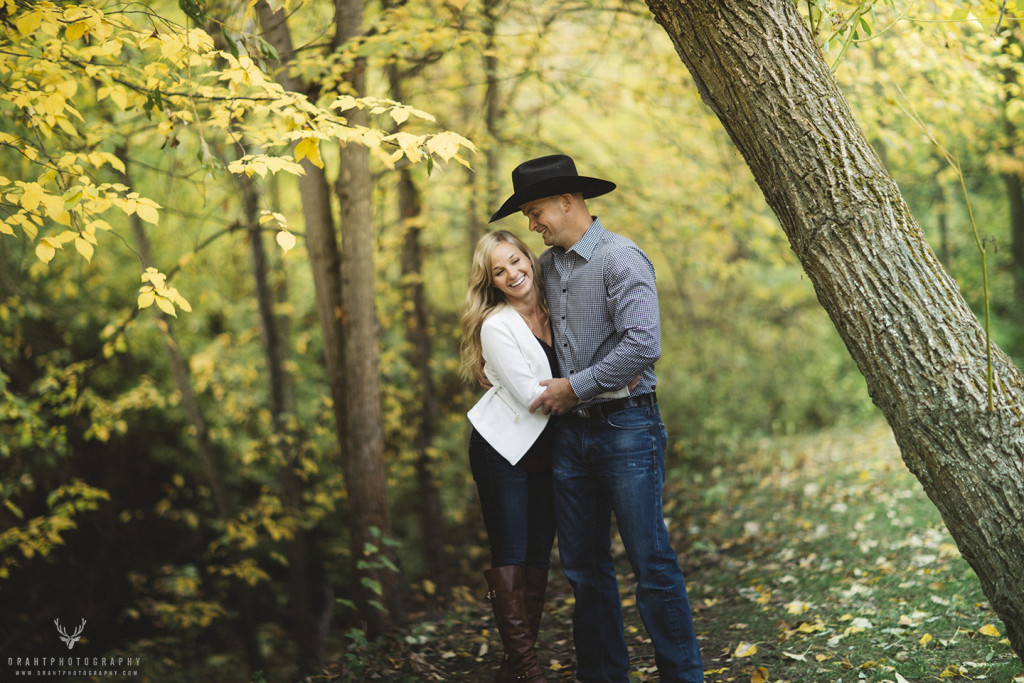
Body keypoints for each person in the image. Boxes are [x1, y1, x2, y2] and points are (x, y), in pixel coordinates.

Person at [489, 154, 704, 683]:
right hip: (568, 436)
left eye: (535, 212)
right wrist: (493, 363)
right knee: (584, 571)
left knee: (650, 562)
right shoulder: (546, 268)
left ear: (567, 201)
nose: (531, 225)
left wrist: (576, 386)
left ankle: (683, 675)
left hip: (626, 428)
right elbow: (517, 325)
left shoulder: (622, 260)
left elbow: (643, 346)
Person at [460, 230, 629, 683]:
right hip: (504, 453)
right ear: (491, 281)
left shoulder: (555, 311)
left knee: (537, 559)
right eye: (500, 270)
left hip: (551, 451)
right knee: (512, 557)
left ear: (530, 260)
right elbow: (534, 396)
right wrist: (613, 384)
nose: (513, 273)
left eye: (516, 260)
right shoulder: (497, 325)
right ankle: (530, 672)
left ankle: (513, 669)